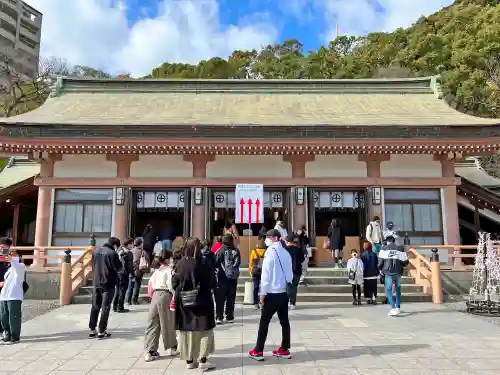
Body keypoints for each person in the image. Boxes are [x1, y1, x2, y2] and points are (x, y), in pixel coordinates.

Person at [249, 229, 293, 361]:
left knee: (264, 322)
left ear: (275, 238)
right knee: (284, 322)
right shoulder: (286, 253)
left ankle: (258, 350)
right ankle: (284, 348)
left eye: (268, 237)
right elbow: (290, 275)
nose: (265, 239)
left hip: (272, 293)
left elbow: (266, 275)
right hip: (283, 293)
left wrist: (262, 294)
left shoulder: (270, 252)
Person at [172, 237, 216, 370]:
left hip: (184, 301)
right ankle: (203, 359)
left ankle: (189, 360)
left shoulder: (180, 263)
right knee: (204, 329)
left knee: (186, 329)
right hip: (203, 300)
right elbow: (212, 282)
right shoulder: (203, 262)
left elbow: (174, 282)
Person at [144, 249, 178, 362]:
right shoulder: (170, 271)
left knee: (153, 323)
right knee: (167, 322)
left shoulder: (157, 271)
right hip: (165, 294)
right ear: (168, 259)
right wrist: (174, 295)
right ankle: (172, 347)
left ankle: (150, 350)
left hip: (155, 295)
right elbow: (170, 285)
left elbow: (150, 285)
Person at [89, 237, 122, 339]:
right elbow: (118, 268)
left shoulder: (96, 251)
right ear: (115, 245)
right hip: (108, 283)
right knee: (105, 307)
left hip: (96, 282)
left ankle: (92, 329)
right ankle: (101, 331)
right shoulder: (112, 253)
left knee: (95, 306)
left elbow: (93, 265)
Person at [378, 236, 409, 316]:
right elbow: (405, 262)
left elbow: (380, 263)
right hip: (398, 272)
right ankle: (398, 307)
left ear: (387, 241)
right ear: (394, 241)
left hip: (388, 272)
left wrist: (380, 269)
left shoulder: (383, 248)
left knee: (388, 290)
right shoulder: (400, 248)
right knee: (398, 289)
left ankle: (393, 307)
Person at [0, 248, 26, 344]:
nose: (11, 256)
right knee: (3, 317)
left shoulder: (21, 266)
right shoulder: (9, 269)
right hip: (4, 296)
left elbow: (15, 264)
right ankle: (6, 334)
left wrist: (12, 259)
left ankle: (15, 337)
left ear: (19, 257)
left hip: (14, 296)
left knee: (13, 317)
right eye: (10, 254)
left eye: (14, 254)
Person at [215, 234, 240, 324]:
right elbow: (238, 263)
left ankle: (219, 317)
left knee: (220, 299)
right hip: (233, 278)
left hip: (222, 278)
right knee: (231, 298)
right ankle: (230, 316)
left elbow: (216, 263)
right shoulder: (236, 250)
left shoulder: (221, 250)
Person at [127, 237, 150, 305]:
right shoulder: (143, 252)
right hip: (139, 271)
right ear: (141, 244)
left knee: (130, 286)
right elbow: (147, 261)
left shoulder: (131, 251)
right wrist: (147, 270)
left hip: (131, 271)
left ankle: (128, 300)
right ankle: (134, 300)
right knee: (137, 286)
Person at [113, 238, 134, 313]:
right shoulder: (128, 253)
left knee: (117, 289)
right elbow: (130, 266)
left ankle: (115, 306)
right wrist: (133, 275)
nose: (133, 245)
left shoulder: (118, 250)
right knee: (122, 290)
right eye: (132, 244)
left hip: (117, 273)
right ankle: (120, 307)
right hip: (124, 273)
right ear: (128, 244)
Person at [285, 234, 304, 310]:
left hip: (287, 271)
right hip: (297, 271)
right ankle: (292, 303)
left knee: (287, 287)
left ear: (288, 241)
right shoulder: (298, 249)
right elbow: (302, 260)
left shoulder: (285, 250)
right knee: (294, 287)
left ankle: (286, 302)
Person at [0, 237, 13, 334]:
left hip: (9, 288)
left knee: (6, 311)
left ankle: (7, 330)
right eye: (0, 247)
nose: (2, 250)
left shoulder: (13, 259)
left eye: (4, 248)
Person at [249, 239, 266, 309]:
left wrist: (250, 272)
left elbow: (250, 263)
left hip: (255, 272)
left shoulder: (254, 251)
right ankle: (262, 303)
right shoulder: (267, 251)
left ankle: (255, 303)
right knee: (263, 288)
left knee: (255, 288)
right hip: (264, 272)